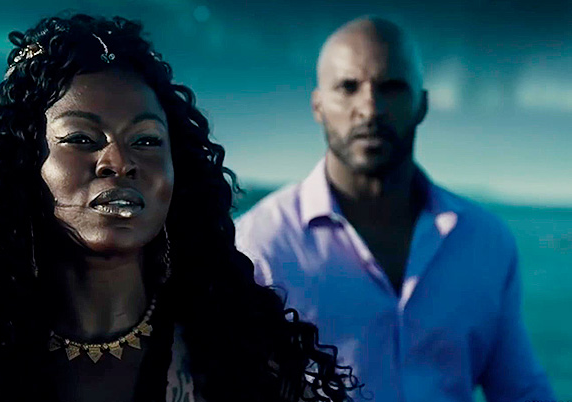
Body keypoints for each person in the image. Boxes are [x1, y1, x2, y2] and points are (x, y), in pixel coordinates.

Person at [0, 14, 359, 402]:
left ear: (178, 174)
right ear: (21, 169)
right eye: (81, 138)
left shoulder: (250, 359)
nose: (119, 162)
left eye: (146, 140)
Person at [235, 16, 555, 402]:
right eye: (348, 87)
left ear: (422, 103)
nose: (370, 108)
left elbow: (521, 390)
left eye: (392, 87)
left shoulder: (486, 241)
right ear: (318, 105)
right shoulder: (259, 245)